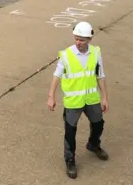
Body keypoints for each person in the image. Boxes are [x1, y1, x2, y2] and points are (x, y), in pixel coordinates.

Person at [47, 21, 109, 179]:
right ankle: (70, 160)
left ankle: (93, 144)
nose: (78, 42)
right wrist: (51, 97)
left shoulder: (96, 53)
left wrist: (104, 97)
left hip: (91, 98)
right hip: (73, 102)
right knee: (70, 132)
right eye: (76, 38)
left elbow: (100, 76)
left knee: (98, 124)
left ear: (89, 39)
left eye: (82, 40)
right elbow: (56, 76)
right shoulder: (66, 55)